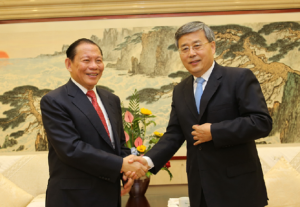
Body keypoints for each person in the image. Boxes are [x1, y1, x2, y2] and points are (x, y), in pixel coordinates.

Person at [137, 21, 272, 207]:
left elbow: (261, 122)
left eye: (197, 46)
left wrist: (215, 131)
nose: (191, 53)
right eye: (184, 48)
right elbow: (174, 134)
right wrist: (146, 161)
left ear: (213, 46)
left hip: (238, 190)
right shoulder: (180, 90)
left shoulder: (239, 78)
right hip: (200, 190)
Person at [40, 38, 147, 207]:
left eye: (98, 60)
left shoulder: (111, 99)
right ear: (69, 64)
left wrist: (126, 171)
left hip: (110, 196)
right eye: (86, 60)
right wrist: (121, 164)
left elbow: (119, 144)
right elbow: (71, 149)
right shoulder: (54, 101)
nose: (94, 66)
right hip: (73, 198)